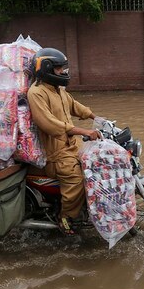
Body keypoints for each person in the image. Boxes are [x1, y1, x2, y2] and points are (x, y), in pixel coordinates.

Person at [25, 47, 101, 235]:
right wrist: (84, 131)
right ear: (47, 68)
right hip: (55, 154)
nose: (64, 72)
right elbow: (49, 124)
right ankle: (66, 218)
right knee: (75, 179)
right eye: (59, 68)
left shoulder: (57, 89)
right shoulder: (36, 93)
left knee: (96, 163)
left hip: (72, 146)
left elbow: (74, 105)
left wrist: (96, 117)